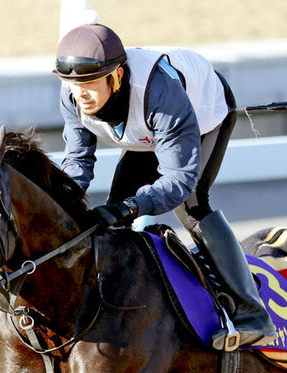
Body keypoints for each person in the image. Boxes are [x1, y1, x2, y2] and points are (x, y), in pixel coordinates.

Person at [53, 21, 275, 349]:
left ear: (115, 76)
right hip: (149, 129)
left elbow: (179, 181)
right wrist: (61, 201)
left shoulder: (159, 94)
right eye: (72, 83)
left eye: (88, 82)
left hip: (199, 116)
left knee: (193, 205)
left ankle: (254, 314)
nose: (79, 93)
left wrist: (131, 206)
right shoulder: (73, 96)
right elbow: (78, 165)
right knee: (116, 214)